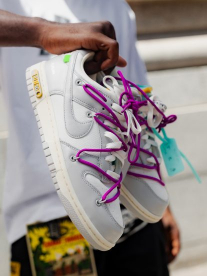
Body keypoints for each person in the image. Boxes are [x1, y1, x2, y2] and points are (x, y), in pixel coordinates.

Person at [0, 0, 180, 275]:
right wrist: (43, 32)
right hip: (48, 223)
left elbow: (134, 114)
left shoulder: (115, 7)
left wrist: (165, 206)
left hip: (130, 214)